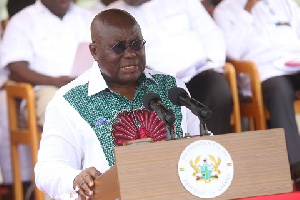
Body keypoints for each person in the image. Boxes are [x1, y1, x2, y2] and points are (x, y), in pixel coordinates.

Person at [34, 8, 200, 199]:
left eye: (137, 45)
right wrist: (75, 179)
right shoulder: (69, 101)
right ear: (94, 51)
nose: (130, 54)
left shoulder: (171, 87)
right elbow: (47, 168)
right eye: (119, 47)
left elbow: (201, 142)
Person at [0, 0, 93, 194]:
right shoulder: (22, 21)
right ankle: (69, 188)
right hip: (46, 91)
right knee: (66, 113)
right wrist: (57, 81)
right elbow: (16, 68)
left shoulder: (88, 18)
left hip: (89, 86)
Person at [108, 0, 233, 135]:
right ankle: (174, 154)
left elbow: (212, 34)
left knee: (218, 92)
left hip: (198, 74)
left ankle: (213, 150)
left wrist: (211, 61)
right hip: (153, 83)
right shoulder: (112, 15)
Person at [213, 0, 300, 189]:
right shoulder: (225, 10)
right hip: (264, 73)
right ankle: (297, 168)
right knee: (279, 88)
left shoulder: (285, 4)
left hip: (294, 65)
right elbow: (233, 51)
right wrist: (248, 10)